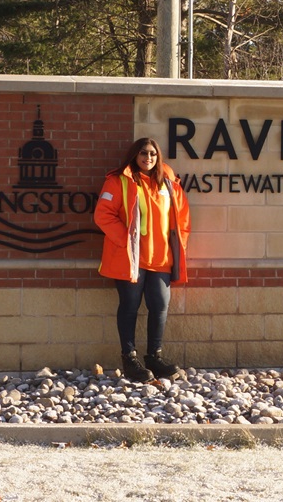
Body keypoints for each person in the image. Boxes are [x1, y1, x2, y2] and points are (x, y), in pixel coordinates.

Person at [94, 137, 191, 382]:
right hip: (131, 259)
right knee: (130, 307)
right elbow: (102, 215)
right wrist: (126, 240)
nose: (148, 158)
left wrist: (180, 245)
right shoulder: (119, 181)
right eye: (143, 154)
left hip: (161, 259)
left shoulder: (168, 182)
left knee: (159, 306)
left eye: (152, 154)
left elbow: (183, 217)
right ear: (135, 156)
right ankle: (130, 360)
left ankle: (154, 358)